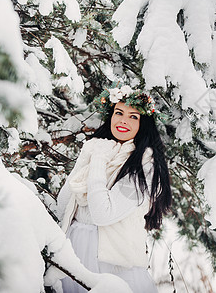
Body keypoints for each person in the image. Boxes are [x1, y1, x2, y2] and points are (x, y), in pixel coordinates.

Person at [56, 84, 172, 292]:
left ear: (143, 124)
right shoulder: (103, 149)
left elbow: (102, 214)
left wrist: (98, 158)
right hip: (74, 253)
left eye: (133, 116)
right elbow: (64, 206)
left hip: (112, 261)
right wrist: (86, 157)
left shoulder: (145, 164)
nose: (123, 120)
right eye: (118, 112)